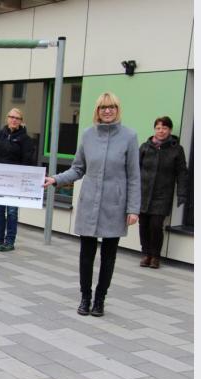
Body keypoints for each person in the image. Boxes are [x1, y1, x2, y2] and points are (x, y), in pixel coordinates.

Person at [44, 92, 140, 317]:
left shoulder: (129, 136)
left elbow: (134, 176)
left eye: (112, 107)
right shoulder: (87, 135)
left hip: (114, 205)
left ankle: (100, 299)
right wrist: (56, 179)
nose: (107, 111)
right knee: (86, 254)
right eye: (103, 107)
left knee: (109, 256)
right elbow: (78, 168)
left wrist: (133, 208)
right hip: (89, 202)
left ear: (118, 109)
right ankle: (85, 297)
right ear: (97, 111)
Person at [0, 108, 36, 252]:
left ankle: (9, 241)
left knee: (12, 211)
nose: (14, 120)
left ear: (21, 121)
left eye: (17, 118)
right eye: (11, 117)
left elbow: (28, 161)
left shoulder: (26, 140)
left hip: (15, 183)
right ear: (7, 118)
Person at [138, 116, 189, 269]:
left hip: (163, 194)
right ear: (155, 129)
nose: (161, 131)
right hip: (143, 193)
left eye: (164, 128)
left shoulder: (176, 150)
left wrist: (182, 193)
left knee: (155, 225)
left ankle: (155, 256)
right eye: (158, 128)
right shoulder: (145, 147)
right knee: (143, 224)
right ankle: (146, 254)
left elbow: (182, 173)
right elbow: (134, 169)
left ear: (170, 130)